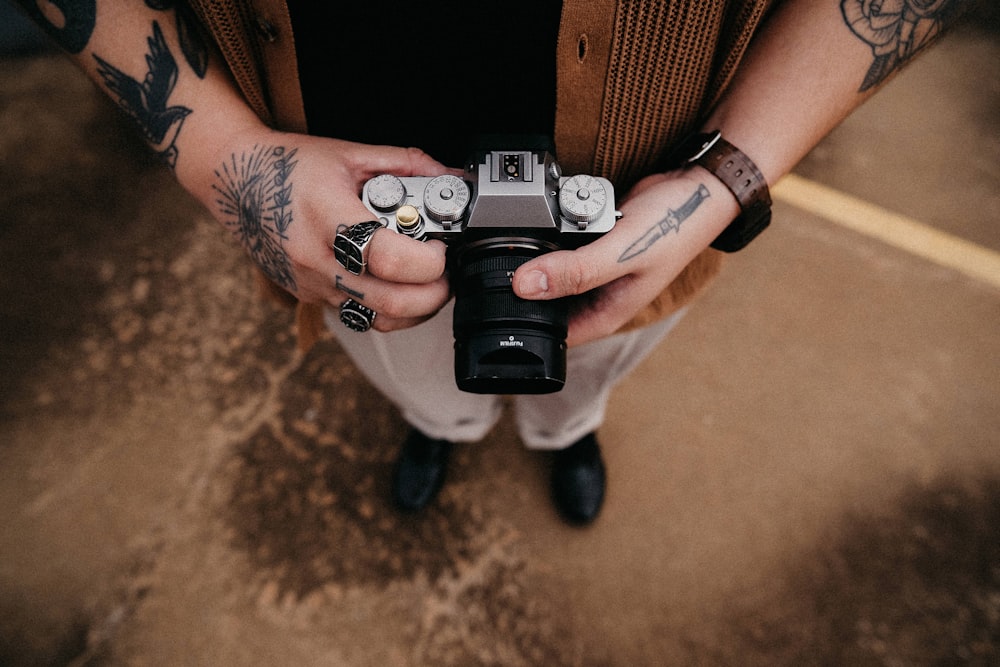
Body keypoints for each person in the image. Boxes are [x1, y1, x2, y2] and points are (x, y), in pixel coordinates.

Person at [14, 0, 972, 525]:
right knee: (416, 375)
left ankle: (566, 431)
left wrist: (723, 179)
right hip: (346, 230)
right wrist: (227, 157)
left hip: (646, 218)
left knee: (593, 357)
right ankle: (445, 425)